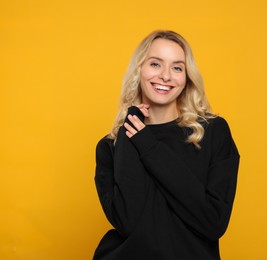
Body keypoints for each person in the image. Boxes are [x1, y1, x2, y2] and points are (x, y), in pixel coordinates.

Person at [93, 30, 240, 260]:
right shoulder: (112, 146)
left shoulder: (212, 133)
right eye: (155, 64)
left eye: (177, 68)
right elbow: (130, 222)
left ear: (186, 78)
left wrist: (148, 146)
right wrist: (130, 132)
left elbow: (213, 222)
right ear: (139, 71)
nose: (165, 76)